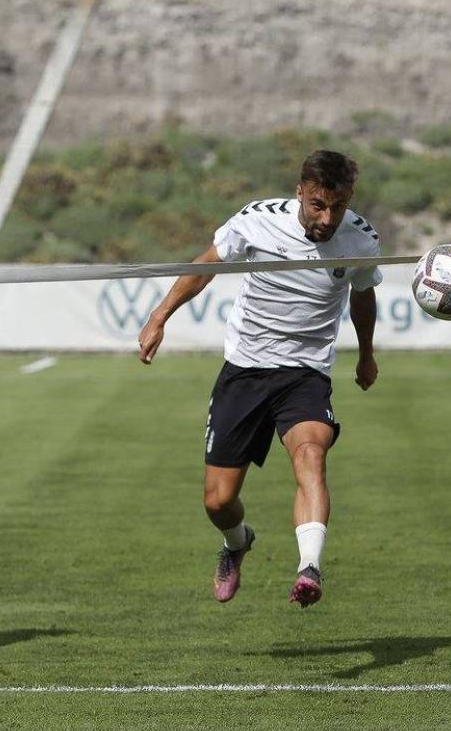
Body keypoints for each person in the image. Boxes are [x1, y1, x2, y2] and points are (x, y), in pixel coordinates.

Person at [138, 149, 380, 607]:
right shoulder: (258, 220)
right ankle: (236, 543)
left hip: (306, 373)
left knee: (311, 455)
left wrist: (366, 355)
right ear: (300, 193)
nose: (328, 218)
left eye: (338, 206)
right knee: (217, 501)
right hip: (245, 371)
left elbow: (363, 295)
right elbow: (206, 264)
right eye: (318, 205)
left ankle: (309, 567)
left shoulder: (362, 240)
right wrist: (159, 317)